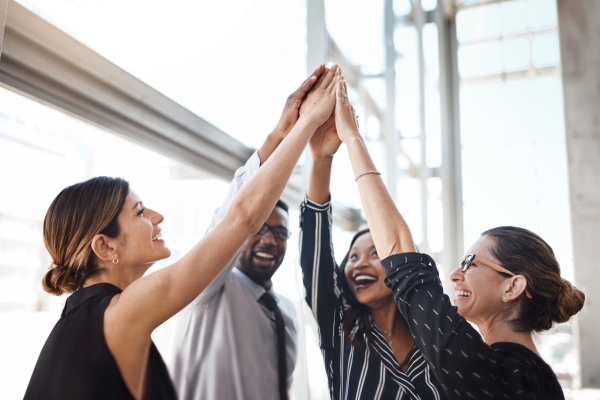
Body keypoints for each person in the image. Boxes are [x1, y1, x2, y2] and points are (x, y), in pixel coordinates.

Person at [24, 64, 341, 400]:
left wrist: (279, 134)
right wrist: (307, 124)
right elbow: (241, 218)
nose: (157, 217)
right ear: (104, 246)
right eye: (141, 212)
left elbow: (232, 218)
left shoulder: (81, 321)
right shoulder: (121, 313)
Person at [333, 77, 585, 399]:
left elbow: (403, 262)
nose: (455, 274)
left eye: (470, 263)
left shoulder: (489, 371)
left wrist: (353, 138)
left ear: (512, 286)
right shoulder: (537, 376)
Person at [168, 67, 341, 400]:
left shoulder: (287, 313)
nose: (269, 239)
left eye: (279, 233)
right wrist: (280, 134)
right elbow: (235, 214)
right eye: (260, 229)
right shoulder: (208, 288)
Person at [299, 110, 446, 399]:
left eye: (375, 254)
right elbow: (314, 252)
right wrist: (321, 159)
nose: (359, 263)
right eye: (352, 256)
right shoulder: (340, 326)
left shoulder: (436, 335)